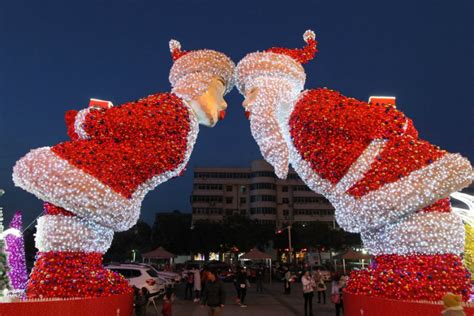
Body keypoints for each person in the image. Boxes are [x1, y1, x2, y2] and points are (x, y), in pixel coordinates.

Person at [234, 29, 473, 301]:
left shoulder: (310, 105)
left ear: (273, 86)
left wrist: (397, 135)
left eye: (251, 91)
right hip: (366, 193)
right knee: (387, 245)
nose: (246, 101)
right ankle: (399, 274)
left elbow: (387, 121)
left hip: (392, 179)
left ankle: (435, 278)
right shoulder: (290, 132)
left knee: (419, 245)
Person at [13, 39, 236, 299]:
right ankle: (60, 277)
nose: (224, 105)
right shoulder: (170, 108)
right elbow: (109, 123)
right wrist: (86, 119)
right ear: (198, 85)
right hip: (89, 175)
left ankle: (73, 273)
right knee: (74, 222)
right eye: (220, 94)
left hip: (110, 184)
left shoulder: (183, 120)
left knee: (88, 228)